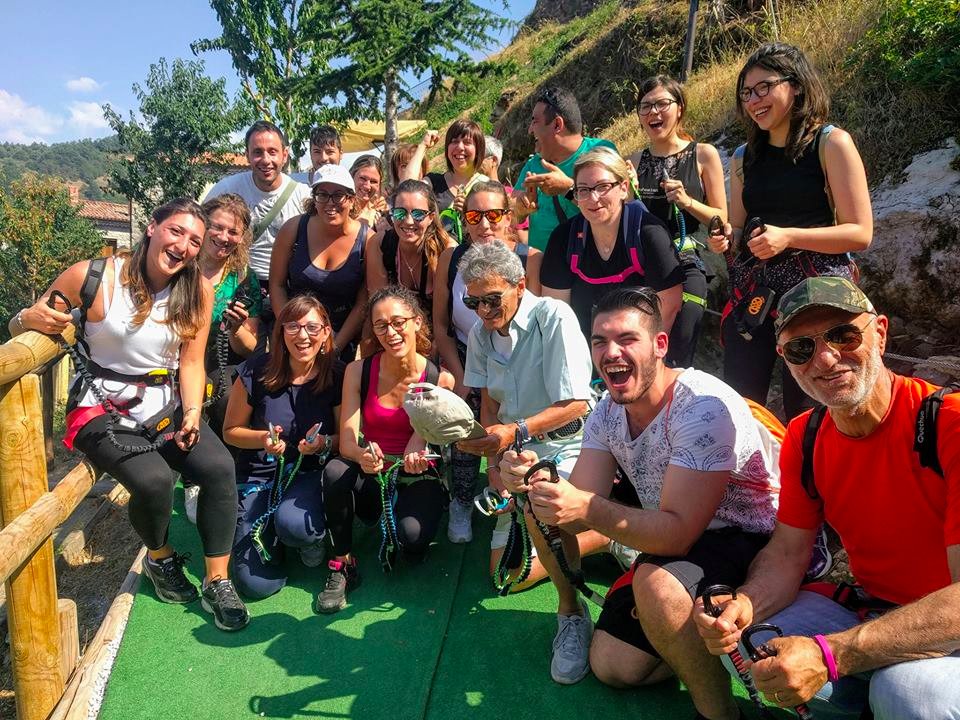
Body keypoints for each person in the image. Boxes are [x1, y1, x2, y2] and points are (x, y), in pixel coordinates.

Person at [694, 277, 960, 720]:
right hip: (876, 609)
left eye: (843, 334)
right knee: (752, 641)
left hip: (947, 623)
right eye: (801, 348)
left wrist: (830, 654)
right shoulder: (807, 435)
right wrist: (743, 604)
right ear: (785, 360)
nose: (826, 358)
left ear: (880, 332)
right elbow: (786, 554)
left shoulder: (948, 423)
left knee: (906, 692)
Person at [499, 287, 781, 698]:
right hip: (678, 535)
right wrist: (534, 482)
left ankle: (717, 709)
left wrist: (587, 507)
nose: (611, 352)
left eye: (627, 339)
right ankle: (573, 614)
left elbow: (678, 534)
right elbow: (576, 505)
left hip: (746, 538)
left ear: (660, 345)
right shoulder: (608, 411)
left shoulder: (702, 406)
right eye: (600, 342)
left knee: (655, 584)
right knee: (615, 667)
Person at [10, 198, 249, 631]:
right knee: (156, 480)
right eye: (176, 231)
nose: (184, 246)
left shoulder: (197, 290)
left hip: (167, 403)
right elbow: (30, 320)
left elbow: (191, 363)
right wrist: (25, 317)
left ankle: (218, 579)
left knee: (218, 468)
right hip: (98, 406)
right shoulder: (93, 276)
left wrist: (193, 413)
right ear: (153, 226)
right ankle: (160, 557)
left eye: (195, 240)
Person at [708, 43, 873, 419]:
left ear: (795, 85)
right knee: (740, 405)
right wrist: (726, 238)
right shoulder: (741, 157)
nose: (753, 100)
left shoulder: (830, 142)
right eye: (747, 93)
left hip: (816, 293)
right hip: (755, 295)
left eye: (764, 87)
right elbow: (739, 225)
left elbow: (861, 232)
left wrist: (789, 236)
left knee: (811, 412)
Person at [455, 242, 603, 605]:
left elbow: (577, 404)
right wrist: (493, 466)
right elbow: (489, 405)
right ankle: (603, 538)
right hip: (515, 454)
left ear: (520, 286)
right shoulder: (480, 333)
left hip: (571, 444)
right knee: (504, 578)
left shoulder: (554, 316)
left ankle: (572, 599)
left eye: (491, 299)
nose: (484, 312)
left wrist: (514, 432)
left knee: (548, 507)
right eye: (473, 303)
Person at [317, 286, 455, 613]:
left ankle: (411, 524)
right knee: (335, 470)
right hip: (373, 472)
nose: (391, 332)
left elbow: (434, 439)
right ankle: (342, 563)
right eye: (381, 325)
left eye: (398, 322)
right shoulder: (358, 371)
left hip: (418, 475)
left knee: (413, 540)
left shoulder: (440, 378)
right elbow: (348, 440)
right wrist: (362, 456)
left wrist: (419, 443)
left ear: (417, 322)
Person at [432, 181, 542, 544]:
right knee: (464, 426)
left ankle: (517, 499)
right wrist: (463, 375)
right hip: (465, 353)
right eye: (474, 216)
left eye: (494, 214)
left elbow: (538, 321)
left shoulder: (529, 258)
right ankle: (462, 499)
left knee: (512, 427)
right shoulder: (451, 258)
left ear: (509, 217)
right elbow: (441, 326)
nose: (485, 224)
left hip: (518, 356)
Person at [223, 295, 344, 599]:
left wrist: (323, 444)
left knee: (295, 526)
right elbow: (230, 431)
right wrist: (262, 439)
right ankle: (272, 534)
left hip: (309, 473)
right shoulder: (255, 371)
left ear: (326, 332)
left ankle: (304, 535)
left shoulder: (338, 374)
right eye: (293, 327)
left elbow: (348, 436)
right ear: (280, 332)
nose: (303, 336)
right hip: (259, 477)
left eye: (312, 327)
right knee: (256, 585)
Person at [540, 147, 685, 352]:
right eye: (584, 190)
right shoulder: (563, 239)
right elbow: (558, 314)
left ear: (624, 188)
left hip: (644, 350)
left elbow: (668, 307)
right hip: (584, 352)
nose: (593, 198)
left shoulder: (649, 232)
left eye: (603, 186)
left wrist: (638, 358)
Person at [630, 75, 726, 367]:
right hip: (645, 261)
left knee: (678, 352)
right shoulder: (635, 160)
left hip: (690, 259)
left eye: (662, 104)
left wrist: (688, 202)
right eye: (645, 107)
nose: (653, 113)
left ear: (680, 108)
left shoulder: (703, 154)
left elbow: (721, 218)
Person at [269, 164, 369, 361]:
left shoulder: (367, 240)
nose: (330, 202)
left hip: (341, 340)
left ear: (351, 199)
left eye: (338, 194)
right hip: (295, 339)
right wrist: (291, 331)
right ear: (314, 199)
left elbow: (363, 301)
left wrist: (336, 346)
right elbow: (277, 284)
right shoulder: (293, 229)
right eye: (322, 194)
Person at [205, 121, 311, 285]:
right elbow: (200, 229)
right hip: (236, 283)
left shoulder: (303, 195)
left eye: (272, 152)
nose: (266, 160)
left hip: (288, 285)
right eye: (258, 152)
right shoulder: (226, 189)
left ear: (284, 155)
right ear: (247, 155)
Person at [514, 86, 617, 251]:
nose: (530, 129)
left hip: (592, 267)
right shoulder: (533, 165)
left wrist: (568, 189)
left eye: (535, 121)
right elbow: (512, 215)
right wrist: (521, 208)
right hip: (545, 269)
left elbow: (617, 210)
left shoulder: (600, 153)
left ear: (557, 125)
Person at [366, 179, 456, 317]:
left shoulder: (446, 250)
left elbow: (444, 320)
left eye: (418, 214)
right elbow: (379, 308)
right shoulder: (380, 244)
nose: (408, 221)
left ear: (431, 217)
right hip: (394, 327)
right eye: (400, 213)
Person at [349, 154, 388, 227]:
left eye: (373, 181)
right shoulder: (338, 207)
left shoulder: (381, 216)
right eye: (363, 178)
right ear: (352, 176)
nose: (367, 186)